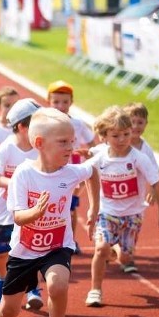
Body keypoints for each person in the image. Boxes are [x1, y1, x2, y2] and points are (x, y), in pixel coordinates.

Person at [0, 108, 99, 317]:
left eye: (72, 141)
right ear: (39, 144)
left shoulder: (73, 171)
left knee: (58, 284)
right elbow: (16, 215)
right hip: (24, 250)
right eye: (63, 142)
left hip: (57, 246)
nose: (70, 147)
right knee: (9, 310)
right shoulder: (24, 175)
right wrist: (34, 214)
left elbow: (93, 171)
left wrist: (94, 208)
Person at [84, 106, 159, 306]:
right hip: (107, 212)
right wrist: (93, 207)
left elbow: (156, 182)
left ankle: (115, 252)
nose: (122, 140)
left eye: (126, 134)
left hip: (133, 214)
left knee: (126, 258)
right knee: (100, 248)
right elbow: (87, 175)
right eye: (115, 135)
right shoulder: (100, 157)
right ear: (104, 137)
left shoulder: (138, 157)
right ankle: (95, 290)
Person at [0, 98, 41, 307]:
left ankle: (33, 288)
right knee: (2, 253)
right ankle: (1, 278)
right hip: (4, 212)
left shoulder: (40, 148)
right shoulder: (7, 148)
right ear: (22, 127)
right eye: (36, 124)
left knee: (32, 249)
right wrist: (15, 183)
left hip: (31, 211)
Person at [46, 80, 98, 255]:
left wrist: (90, 156)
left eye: (65, 102)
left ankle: (70, 241)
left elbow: (92, 144)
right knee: (50, 207)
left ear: (71, 102)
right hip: (51, 170)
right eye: (56, 102)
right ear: (49, 101)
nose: (61, 106)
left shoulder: (78, 124)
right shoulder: (44, 123)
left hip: (72, 171)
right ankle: (49, 240)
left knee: (71, 207)